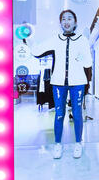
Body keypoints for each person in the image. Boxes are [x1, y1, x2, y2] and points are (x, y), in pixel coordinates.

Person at [26, 9, 93, 159]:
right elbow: (37, 52)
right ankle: (57, 145)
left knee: (77, 114)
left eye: (70, 18)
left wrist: (84, 47)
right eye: (63, 19)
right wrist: (29, 40)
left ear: (75, 22)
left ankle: (78, 144)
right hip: (58, 83)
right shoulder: (55, 39)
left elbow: (88, 62)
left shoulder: (82, 40)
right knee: (59, 113)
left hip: (78, 82)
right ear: (61, 23)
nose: (66, 21)